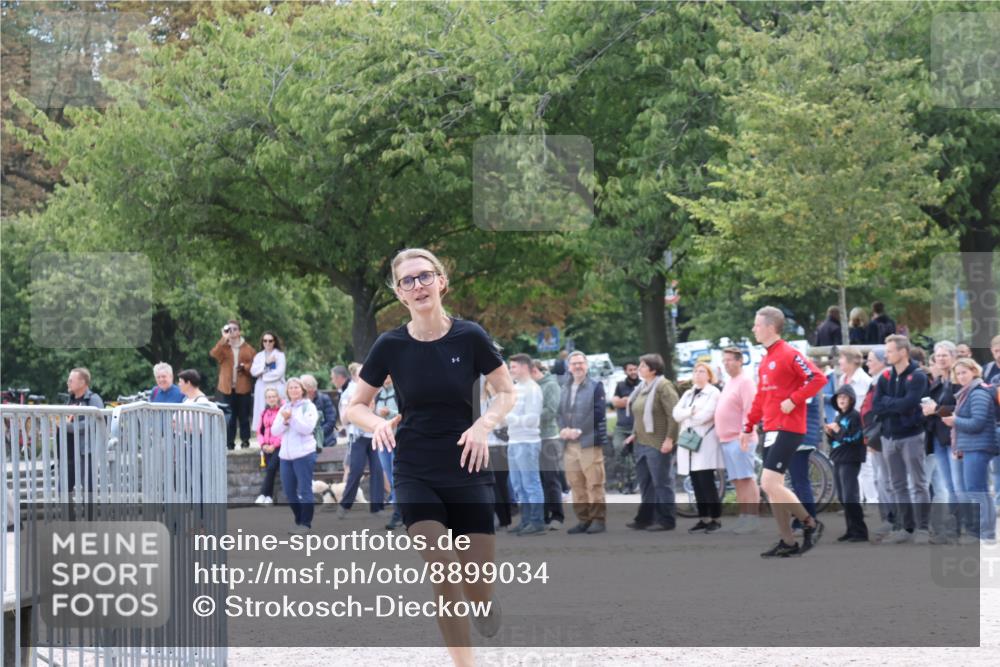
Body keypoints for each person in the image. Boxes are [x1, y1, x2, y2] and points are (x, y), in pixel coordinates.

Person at [346, 248, 515, 663]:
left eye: (424, 277)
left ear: (441, 281)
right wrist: (378, 424)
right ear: (399, 293)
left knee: (476, 584)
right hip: (414, 469)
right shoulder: (390, 345)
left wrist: (482, 425)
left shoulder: (470, 336)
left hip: (468, 466)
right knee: (443, 568)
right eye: (408, 281)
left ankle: (483, 602)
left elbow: (506, 392)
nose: (418, 286)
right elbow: (354, 406)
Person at [740, 306, 827, 558]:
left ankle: (810, 523)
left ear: (770, 327)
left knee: (768, 482)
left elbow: (817, 378)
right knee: (772, 486)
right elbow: (761, 397)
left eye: (757, 324)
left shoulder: (789, 353)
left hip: (788, 428)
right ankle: (787, 541)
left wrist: (794, 399)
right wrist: (747, 426)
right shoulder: (766, 359)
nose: (754, 328)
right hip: (770, 428)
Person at [873, 335, 930, 545]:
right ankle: (905, 528)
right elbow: (876, 405)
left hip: (911, 436)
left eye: (889, 351)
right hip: (889, 437)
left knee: (918, 483)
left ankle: (923, 528)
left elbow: (909, 404)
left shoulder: (917, 376)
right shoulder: (885, 377)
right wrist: (895, 404)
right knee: (897, 484)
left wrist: (891, 404)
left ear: (903, 352)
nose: (886, 355)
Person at [942, 358, 998, 543]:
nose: (961, 376)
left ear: (974, 371)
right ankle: (985, 532)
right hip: (973, 445)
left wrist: (955, 420)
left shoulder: (977, 393)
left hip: (978, 446)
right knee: (976, 489)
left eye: (964, 372)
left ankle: (987, 533)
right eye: (958, 373)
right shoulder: (968, 392)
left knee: (978, 490)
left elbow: (978, 422)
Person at [624, 353, 679, 532]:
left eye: (643, 366)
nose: (639, 369)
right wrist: (634, 434)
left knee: (662, 482)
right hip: (641, 442)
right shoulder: (642, 387)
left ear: (653, 369)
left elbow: (674, 415)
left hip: (658, 442)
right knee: (645, 482)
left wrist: (670, 439)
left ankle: (667, 519)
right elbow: (639, 414)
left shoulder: (664, 386)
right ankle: (646, 518)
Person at [558, 351, 609, 535]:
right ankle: (584, 520)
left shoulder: (596, 386)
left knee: (594, 483)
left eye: (581, 363)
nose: (578, 366)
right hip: (569, 444)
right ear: (569, 367)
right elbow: (559, 412)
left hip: (589, 442)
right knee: (576, 483)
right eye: (574, 363)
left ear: (586, 365)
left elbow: (598, 412)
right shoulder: (564, 387)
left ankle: (598, 520)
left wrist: (578, 429)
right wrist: (563, 428)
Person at [673, 362, 723, 532]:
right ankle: (703, 517)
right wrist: (690, 412)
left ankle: (715, 518)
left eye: (702, 371)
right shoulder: (688, 393)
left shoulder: (713, 393)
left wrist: (687, 415)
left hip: (705, 441)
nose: (698, 374)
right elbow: (676, 414)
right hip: (689, 440)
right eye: (695, 371)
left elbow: (705, 416)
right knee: (695, 481)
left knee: (706, 481)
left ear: (709, 375)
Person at [715, 347, 760, 534]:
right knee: (737, 481)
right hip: (727, 439)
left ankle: (752, 519)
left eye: (730, 360)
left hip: (740, 438)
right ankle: (744, 517)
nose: (726, 363)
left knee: (747, 479)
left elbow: (750, 410)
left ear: (740, 361)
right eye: (724, 360)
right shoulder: (729, 382)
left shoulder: (745, 382)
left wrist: (746, 432)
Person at [271, 377, 319, 535]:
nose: (294, 390)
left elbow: (307, 428)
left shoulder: (308, 406)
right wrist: (285, 421)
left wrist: (291, 418)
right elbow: (274, 431)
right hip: (286, 455)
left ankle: (305, 523)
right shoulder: (283, 407)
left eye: (296, 387)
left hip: (304, 454)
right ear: (287, 391)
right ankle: (299, 520)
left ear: (302, 390)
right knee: (290, 492)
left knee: (305, 490)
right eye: (291, 388)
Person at [337, 363, 385, 518]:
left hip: (373, 434)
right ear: (354, 377)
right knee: (356, 470)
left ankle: (377, 508)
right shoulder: (349, 392)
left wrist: (374, 411)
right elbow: (344, 420)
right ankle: (344, 506)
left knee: (377, 470)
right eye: (361, 373)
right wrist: (355, 408)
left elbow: (379, 413)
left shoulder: (376, 389)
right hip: (357, 437)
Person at [922, 341, 958, 543]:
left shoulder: (958, 380)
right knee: (947, 485)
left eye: (945, 355)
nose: (941, 359)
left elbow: (959, 407)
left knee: (957, 486)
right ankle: (951, 528)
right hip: (937, 437)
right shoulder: (937, 381)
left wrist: (936, 409)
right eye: (938, 355)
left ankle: (960, 528)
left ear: (953, 356)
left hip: (954, 437)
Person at [505, 354, 545, 536]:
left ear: (523, 367)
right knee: (518, 485)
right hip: (513, 440)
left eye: (513, 366)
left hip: (527, 441)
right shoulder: (515, 388)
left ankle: (537, 522)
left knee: (531, 483)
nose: (510, 369)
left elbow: (532, 419)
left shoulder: (533, 389)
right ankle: (526, 520)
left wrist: (509, 419)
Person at [833, 347, 876, 506]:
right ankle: (855, 501)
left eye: (842, 358)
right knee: (851, 465)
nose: (839, 362)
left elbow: (868, 406)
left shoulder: (865, 380)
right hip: (845, 427)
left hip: (861, 426)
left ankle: (872, 501)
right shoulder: (842, 378)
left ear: (852, 361)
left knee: (866, 466)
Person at [826, 386, 868, 542]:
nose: (842, 400)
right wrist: (830, 433)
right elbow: (836, 440)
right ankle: (851, 529)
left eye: (845, 397)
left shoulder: (854, 417)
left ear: (851, 399)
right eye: (839, 397)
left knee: (850, 495)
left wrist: (838, 430)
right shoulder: (839, 416)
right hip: (838, 458)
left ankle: (860, 531)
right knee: (843, 496)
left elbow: (854, 438)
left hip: (850, 458)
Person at [861, 348, 893, 539]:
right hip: (874, 436)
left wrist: (873, 437)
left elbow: (877, 412)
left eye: (871, 360)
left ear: (882, 361)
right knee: (881, 479)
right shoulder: (877, 380)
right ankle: (888, 519)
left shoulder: (884, 380)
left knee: (886, 479)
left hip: (880, 437)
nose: (867, 363)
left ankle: (892, 520)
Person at [210, 319, 256, 449]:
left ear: (239, 331)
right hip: (226, 388)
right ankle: (229, 442)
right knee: (229, 417)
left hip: (243, 387)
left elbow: (255, 365)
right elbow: (214, 354)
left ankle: (245, 440)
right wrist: (223, 339)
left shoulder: (248, 348)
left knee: (244, 416)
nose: (232, 331)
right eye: (229, 329)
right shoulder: (224, 347)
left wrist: (245, 367)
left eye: (235, 329)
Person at [531, 360, 565, 530]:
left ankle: (557, 515)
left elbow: (551, 411)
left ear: (534, 370)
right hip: (533, 438)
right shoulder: (530, 386)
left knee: (551, 479)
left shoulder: (550, 385)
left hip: (548, 438)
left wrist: (528, 418)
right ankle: (543, 516)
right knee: (539, 479)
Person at [63, 367, 104, 495]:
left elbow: (92, 424)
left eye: (71, 380)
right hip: (69, 451)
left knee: (88, 488)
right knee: (63, 488)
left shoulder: (94, 399)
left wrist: (65, 426)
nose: (68, 383)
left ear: (82, 383)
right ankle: (68, 515)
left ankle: (90, 515)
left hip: (85, 451)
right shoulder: (70, 399)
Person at [375, 376, 402, 529]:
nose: (385, 377)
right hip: (383, 440)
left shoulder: (399, 391)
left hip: (397, 439)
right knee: (391, 479)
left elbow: (405, 412)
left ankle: (398, 515)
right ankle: (400, 513)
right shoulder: (378, 394)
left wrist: (389, 412)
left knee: (396, 477)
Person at [610, 362, 641, 493]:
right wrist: (628, 401)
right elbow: (615, 402)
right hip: (622, 427)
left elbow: (641, 403)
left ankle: (634, 483)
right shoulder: (620, 385)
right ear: (625, 371)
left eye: (635, 369)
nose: (633, 372)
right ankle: (622, 481)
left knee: (636, 455)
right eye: (630, 370)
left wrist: (626, 400)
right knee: (619, 449)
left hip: (638, 427)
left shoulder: (642, 385)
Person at [250, 331, 286, 433]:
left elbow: (279, 372)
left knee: (277, 411)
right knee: (262, 411)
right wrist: (266, 364)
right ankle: (263, 434)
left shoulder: (280, 355)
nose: (267, 343)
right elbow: (253, 371)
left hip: (276, 386)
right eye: (265, 341)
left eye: (270, 341)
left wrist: (263, 375)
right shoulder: (258, 356)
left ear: (274, 342)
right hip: (261, 388)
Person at [254, 388, 283, 505]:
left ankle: (263, 494)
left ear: (278, 398)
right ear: (266, 399)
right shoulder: (264, 413)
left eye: (273, 396)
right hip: (266, 447)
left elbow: (283, 432)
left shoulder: (282, 412)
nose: (271, 399)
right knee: (269, 470)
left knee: (271, 469)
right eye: (269, 397)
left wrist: (274, 445)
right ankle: (269, 497)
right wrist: (263, 444)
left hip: (278, 447)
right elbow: (259, 431)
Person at [301, 374, 337, 448]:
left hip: (326, 441)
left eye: (307, 389)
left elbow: (331, 421)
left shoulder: (324, 399)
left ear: (313, 389)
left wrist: (317, 434)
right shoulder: (299, 402)